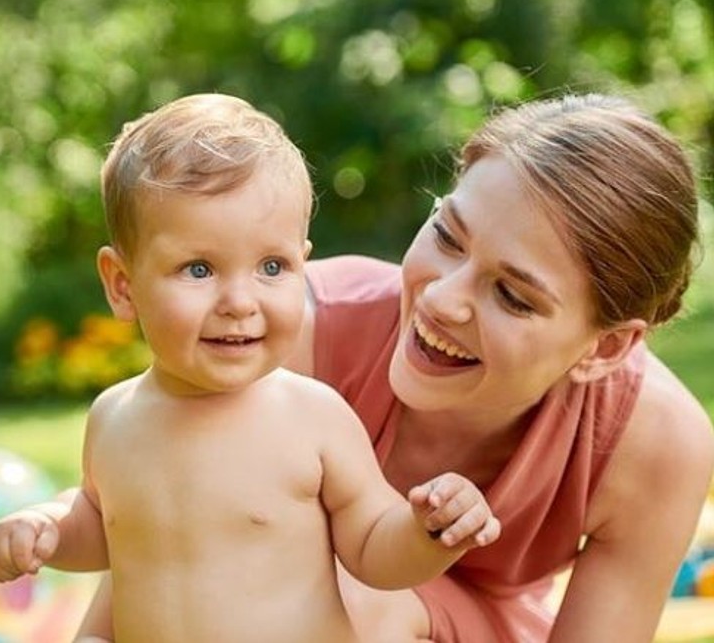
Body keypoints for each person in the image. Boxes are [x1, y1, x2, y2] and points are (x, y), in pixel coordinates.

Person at [68, 93, 714, 642]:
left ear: (602, 349)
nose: (440, 298)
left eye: (512, 295)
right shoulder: (285, 333)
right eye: (447, 235)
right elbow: (156, 538)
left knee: (361, 595)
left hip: (450, 624)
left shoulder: (657, 441)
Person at [0, 93, 501, 642]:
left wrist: (427, 533)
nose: (240, 301)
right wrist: (47, 530)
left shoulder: (312, 417)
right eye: (198, 269)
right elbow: (104, 527)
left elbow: (372, 546)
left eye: (272, 266)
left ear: (304, 261)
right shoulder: (115, 417)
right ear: (122, 285)